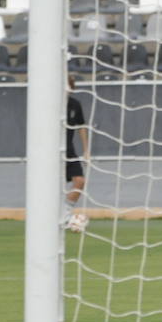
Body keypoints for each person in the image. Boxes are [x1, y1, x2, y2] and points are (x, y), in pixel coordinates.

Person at [65, 77, 91, 231]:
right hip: (52, 152)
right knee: (53, 187)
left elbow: (81, 126)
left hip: (69, 150)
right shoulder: (49, 105)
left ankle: (65, 214)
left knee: (79, 181)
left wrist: (86, 150)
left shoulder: (75, 105)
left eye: (69, 86)